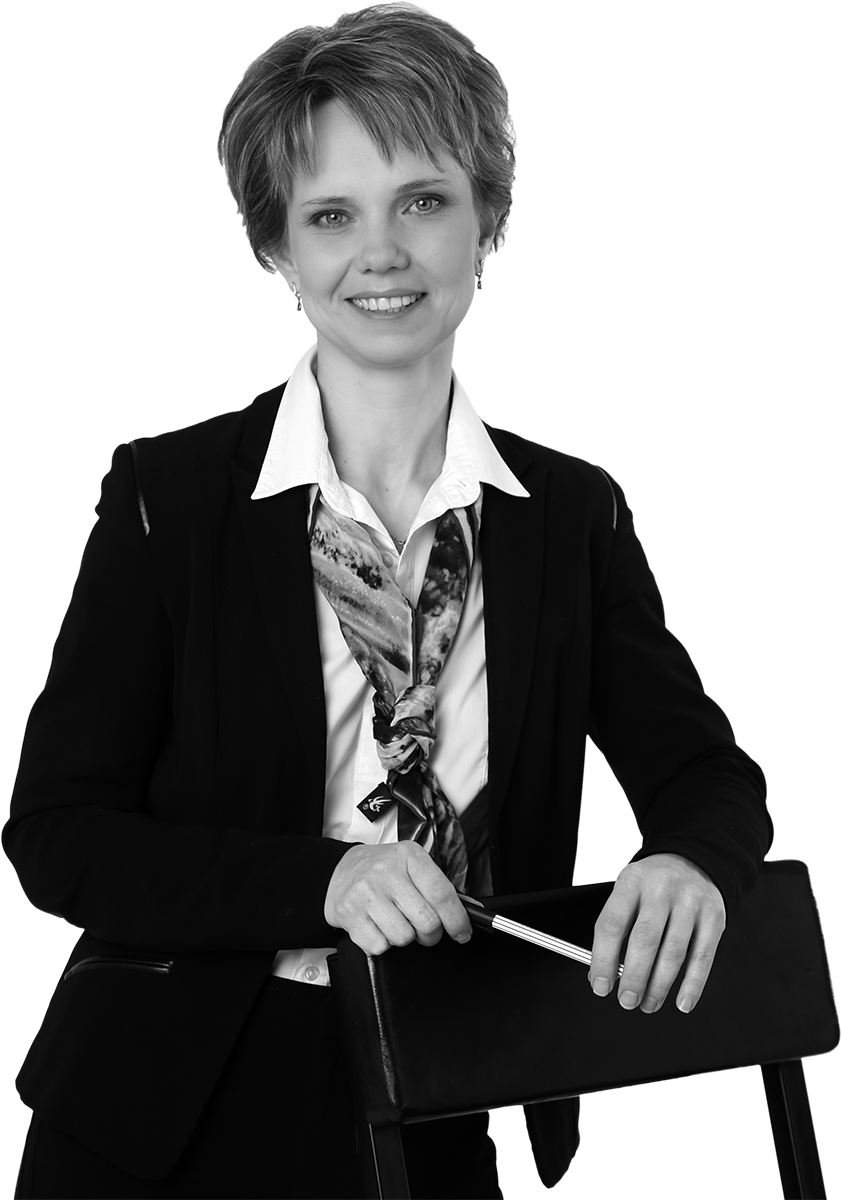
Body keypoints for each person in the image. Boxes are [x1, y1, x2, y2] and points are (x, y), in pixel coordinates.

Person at [4, 5, 775, 1198]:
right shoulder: (173, 499)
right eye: (330, 215)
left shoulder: (568, 518)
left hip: (436, 1079)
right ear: (277, 248)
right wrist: (323, 880)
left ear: (487, 221)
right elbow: (59, 835)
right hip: (159, 1106)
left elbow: (703, 775)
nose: (381, 253)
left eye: (421, 201)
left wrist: (689, 859)